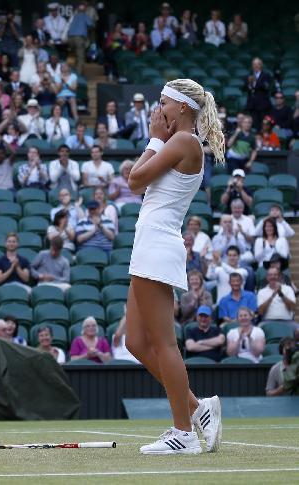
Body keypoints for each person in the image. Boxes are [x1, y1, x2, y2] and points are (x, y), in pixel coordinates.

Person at [124, 78, 226, 454]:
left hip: (157, 244)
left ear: (182, 107)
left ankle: (183, 432)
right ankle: (200, 410)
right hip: (148, 243)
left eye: (163, 103)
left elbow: (134, 181)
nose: (159, 110)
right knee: (134, 342)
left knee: (164, 344)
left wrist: (152, 139)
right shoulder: (178, 143)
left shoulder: (183, 142)